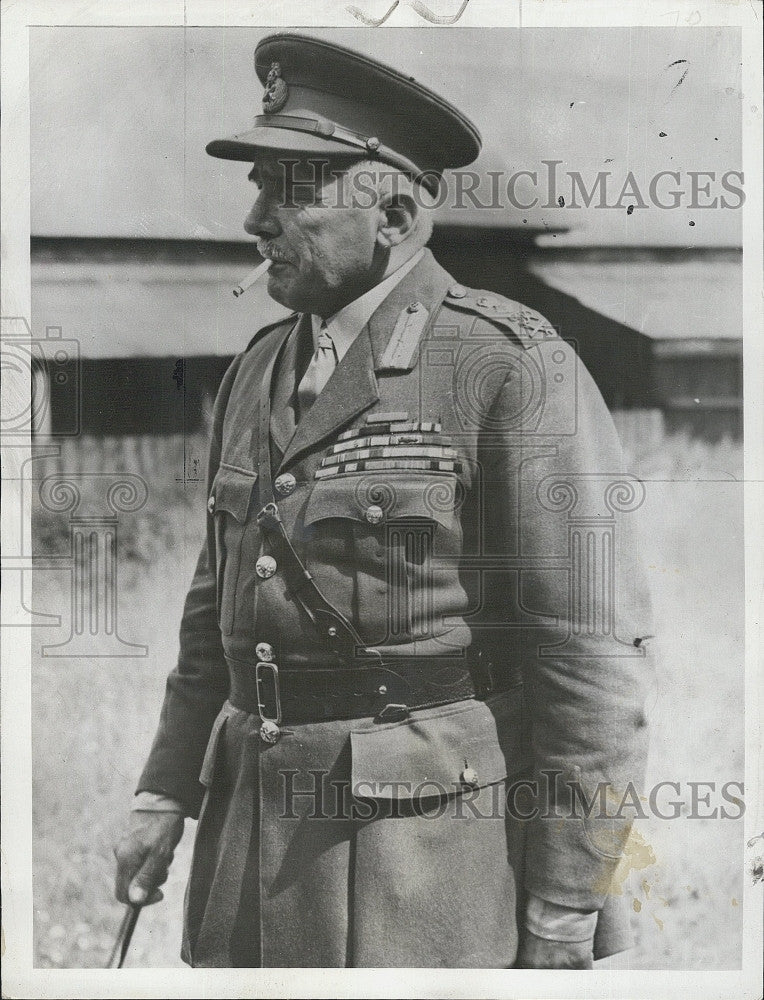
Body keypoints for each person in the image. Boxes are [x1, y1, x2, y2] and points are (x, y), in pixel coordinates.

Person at [114, 32, 655, 969]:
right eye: (259, 188)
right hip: (253, 848)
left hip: (426, 866)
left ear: (396, 214)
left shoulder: (506, 367)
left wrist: (568, 899)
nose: (255, 221)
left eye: (290, 190)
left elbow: (588, 659)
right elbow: (216, 610)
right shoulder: (255, 370)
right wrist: (165, 792)